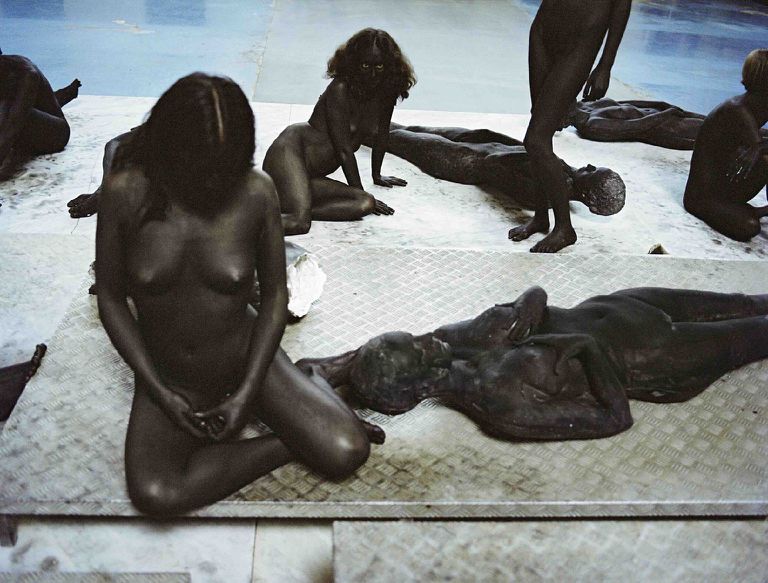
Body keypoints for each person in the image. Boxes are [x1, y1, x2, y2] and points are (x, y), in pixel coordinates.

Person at [96, 73, 377, 517]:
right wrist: (158, 389)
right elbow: (111, 298)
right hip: (168, 371)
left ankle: (303, 380)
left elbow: (275, 296)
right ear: (169, 147)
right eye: (200, 166)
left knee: (346, 451)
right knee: (156, 493)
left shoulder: (255, 190)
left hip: (246, 358)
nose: (211, 181)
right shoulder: (123, 193)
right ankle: (291, 434)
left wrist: (247, 392)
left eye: (223, 167)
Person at [298, 286, 768, 441]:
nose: (428, 337)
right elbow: (615, 417)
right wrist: (585, 348)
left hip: (618, 305)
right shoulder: (501, 405)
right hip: (656, 354)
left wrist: (530, 302)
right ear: (421, 383)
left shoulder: (453, 340)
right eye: (419, 347)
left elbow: (310, 366)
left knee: (747, 300)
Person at [262, 28, 415, 235]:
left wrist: (377, 175)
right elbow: (344, 150)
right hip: (289, 154)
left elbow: (382, 135)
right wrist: (359, 188)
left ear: (388, 65)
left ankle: (294, 205)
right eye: (365, 66)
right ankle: (246, 224)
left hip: (310, 176)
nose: (372, 74)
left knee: (365, 203)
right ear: (354, 63)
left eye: (379, 66)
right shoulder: (340, 89)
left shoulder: (386, 91)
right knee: (299, 223)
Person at [510, 0, 632, 252]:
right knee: (539, 131)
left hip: (581, 40)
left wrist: (605, 65)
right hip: (544, 29)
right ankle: (541, 217)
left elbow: (621, 6)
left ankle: (565, 228)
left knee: (536, 140)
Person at [379, 123, 625, 216]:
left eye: (593, 172)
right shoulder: (565, 173)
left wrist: (535, 151)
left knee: (392, 137)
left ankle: (355, 125)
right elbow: (522, 147)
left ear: (588, 193)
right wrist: (488, 135)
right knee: (410, 128)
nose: (589, 166)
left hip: (461, 160)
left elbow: (493, 163)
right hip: (478, 143)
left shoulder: (544, 194)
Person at [684, 49, 768, 242]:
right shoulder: (737, 109)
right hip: (702, 197)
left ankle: (747, 210)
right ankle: (752, 212)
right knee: (749, 226)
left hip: (726, 185)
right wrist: (758, 148)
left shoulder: (761, 104)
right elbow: (758, 147)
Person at [0, 50, 80, 181]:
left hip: (56, 135)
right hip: (28, 121)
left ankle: (61, 97)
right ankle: (62, 96)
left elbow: (12, 124)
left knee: (11, 109)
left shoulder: (26, 73)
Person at [568, 98, 708, 150]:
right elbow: (639, 127)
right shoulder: (593, 126)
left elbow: (627, 104)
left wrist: (661, 105)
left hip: (663, 114)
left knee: (717, 118)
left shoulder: (585, 105)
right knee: (717, 132)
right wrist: (668, 112)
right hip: (668, 128)